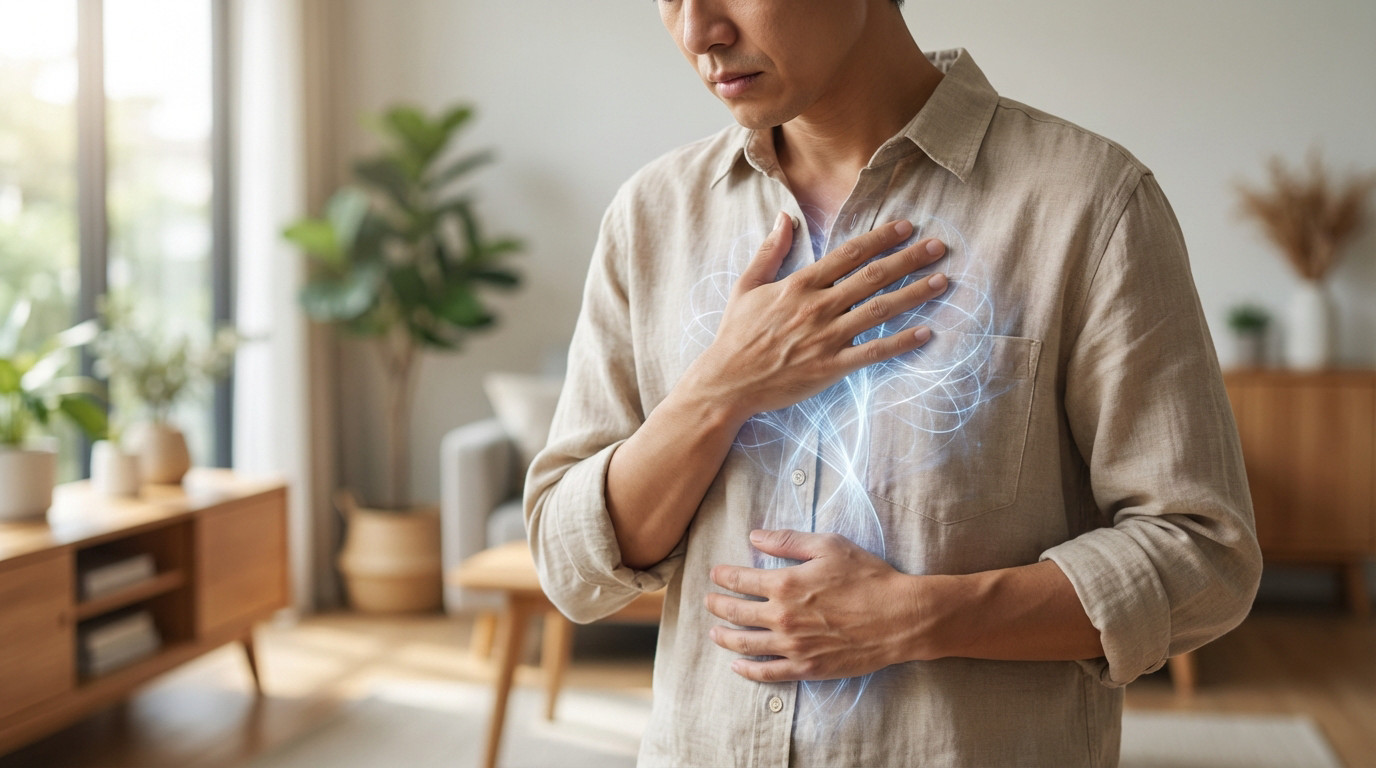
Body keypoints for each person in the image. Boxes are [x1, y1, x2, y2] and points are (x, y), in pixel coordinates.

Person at [526, 0, 1262, 765]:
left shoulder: (1088, 203)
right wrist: (720, 389)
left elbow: (1205, 557)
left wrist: (924, 616)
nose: (697, 32)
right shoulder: (651, 217)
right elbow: (570, 568)